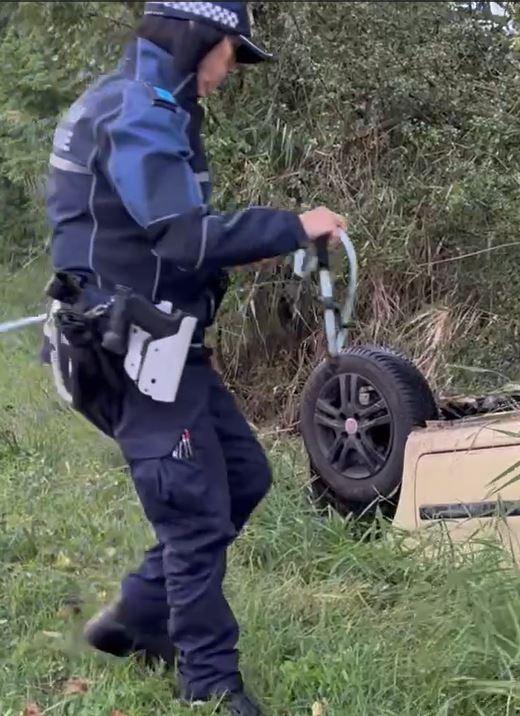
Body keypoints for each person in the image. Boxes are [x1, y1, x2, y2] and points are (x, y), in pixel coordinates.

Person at [43, 3, 344, 714]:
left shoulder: (144, 105)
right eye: (231, 54)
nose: (230, 71)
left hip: (168, 346)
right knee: (193, 513)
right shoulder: (137, 110)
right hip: (127, 351)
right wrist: (292, 227)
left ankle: (131, 620)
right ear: (197, 37)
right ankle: (211, 685)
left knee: (243, 474)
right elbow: (182, 237)